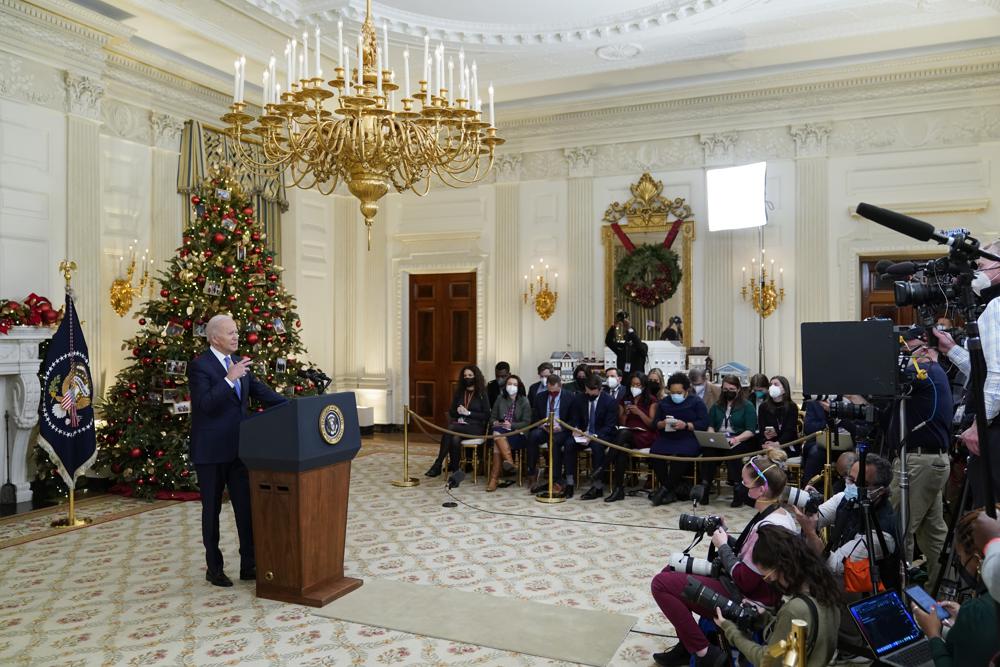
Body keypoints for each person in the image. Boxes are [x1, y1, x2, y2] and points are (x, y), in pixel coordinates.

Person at [650, 449, 800, 666]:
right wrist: (726, 537)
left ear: (761, 489)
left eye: (744, 483)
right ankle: (688, 644)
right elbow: (751, 555)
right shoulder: (778, 513)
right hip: (746, 586)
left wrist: (722, 546)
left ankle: (704, 653)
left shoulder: (771, 526)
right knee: (671, 569)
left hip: (749, 598)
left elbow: (746, 580)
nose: (738, 487)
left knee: (661, 584)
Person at [188, 314, 288, 587]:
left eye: (236, 332)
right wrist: (229, 379)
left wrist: (294, 406)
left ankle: (250, 565)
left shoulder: (238, 362)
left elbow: (264, 394)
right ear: (214, 337)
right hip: (210, 453)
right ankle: (214, 568)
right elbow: (205, 404)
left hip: (240, 451)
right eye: (231, 333)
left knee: (246, 509)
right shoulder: (199, 366)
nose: (236, 336)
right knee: (212, 512)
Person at [931, 241, 1000, 506]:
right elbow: (983, 369)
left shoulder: (995, 306)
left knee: (988, 514)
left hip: (994, 432)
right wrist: (950, 349)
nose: (976, 272)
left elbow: (997, 375)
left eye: (981, 265)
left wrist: (977, 426)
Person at [717, 525, 842, 667]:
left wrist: (730, 630)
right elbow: (794, 650)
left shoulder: (796, 609)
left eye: (768, 577)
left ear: (783, 567)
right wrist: (766, 619)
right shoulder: (824, 589)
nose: (771, 582)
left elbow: (767, 660)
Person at [888, 336, 954, 587]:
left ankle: (900, 595)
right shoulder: (935, 375)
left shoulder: (926, 372)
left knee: (899, 529)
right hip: (931, 462)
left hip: (918, 463)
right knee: (933, 533)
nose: (904, 356)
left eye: (908, 350)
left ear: (925, 350)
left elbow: (888, 382)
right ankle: (941, 587)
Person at [912, 506, 1000, 667]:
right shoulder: (980, 609)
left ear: (978, 560)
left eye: (960, 557)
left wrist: (933, 636)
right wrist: (966, 617)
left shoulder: (977, 610)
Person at [794, 453, 897, 589]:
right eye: (850, 478)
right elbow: (816, 520)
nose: (852, 486)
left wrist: (811, 533)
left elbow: (835, 566)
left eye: (861, 483)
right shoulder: (845, 498)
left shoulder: (881, 532)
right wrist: (807, 504)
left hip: (862, 591)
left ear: (880, 491)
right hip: (840, 576)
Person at [649, 372, 708, 505]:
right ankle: (669, 490)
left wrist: (686, 425)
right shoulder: (664, 403)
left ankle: (665, 489)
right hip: (668, 437)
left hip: (688, 438)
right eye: (672, 392)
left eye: (679, 392)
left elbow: (704, 423)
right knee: (655, 452)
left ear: (686, 391)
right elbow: (655, 424)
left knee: (681, 455)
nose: (675, 395)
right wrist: (662, 424)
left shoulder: (696, 402)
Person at [424, 365, 490, 485]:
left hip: (476, 428)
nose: (467, 378)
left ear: (476, 377)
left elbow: (486, 415)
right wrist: (458, 412)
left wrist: (468, 413)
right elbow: (452, 412)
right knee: (454, 438)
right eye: (465, 376)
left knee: (451, 429)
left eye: (470, 375)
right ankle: (455, 473)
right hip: (460, 425)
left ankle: (438, 464)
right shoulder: (459, 392)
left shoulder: (481, 393)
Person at [700, 375, 758, 507]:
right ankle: (705, 486)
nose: (728, 391)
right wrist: (712, 437)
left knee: (732, 453)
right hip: (720, 439)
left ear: (738, 389)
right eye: (725, 389)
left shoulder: (747, 406)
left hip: (741, 439)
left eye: (731, 389)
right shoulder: (717, 406)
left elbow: (750, 430)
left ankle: (738, 489)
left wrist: (735, 439)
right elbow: (710, 425)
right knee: (708, 451)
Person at [526, 374, 584, 498]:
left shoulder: (570, 397)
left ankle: (556, 479)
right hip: (545, 428)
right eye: (550, 391)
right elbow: (535, 417)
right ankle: (532, 471)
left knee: (554, 441)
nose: (552, 394)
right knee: (533, 436)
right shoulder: (540, 397)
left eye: (555, 392)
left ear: (560, 386)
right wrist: (542, 425)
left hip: (562, 430)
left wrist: (561, 427)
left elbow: (574, 419)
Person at [606, 372, 657, 502]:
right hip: (628, 435)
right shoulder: (625, 399)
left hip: (644, 435)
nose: (635, 387)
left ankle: (604, 465)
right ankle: (619, 489)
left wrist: (639, 412)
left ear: (644, 386)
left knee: (623, 435)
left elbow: (652, 424)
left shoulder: (651, 400)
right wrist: (626, 414)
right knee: (622, 448)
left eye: (638, 385)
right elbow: (622, 422)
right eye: (633, 384)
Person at [578, 374, 620, 500]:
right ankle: (568, 482)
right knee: (568, 444)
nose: (589, 393)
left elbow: (610, 426)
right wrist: (576, 429)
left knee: (597, 447)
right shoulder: (581, 398)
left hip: (601, 435)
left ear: (600, 389)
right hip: (583, 434)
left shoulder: (610, 401)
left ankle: (597, 487)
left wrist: (594, 436)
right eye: (587, 390)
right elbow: (575, 417)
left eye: (592, 391)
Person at [487, 374, 531, 492]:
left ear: (519, 387)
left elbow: (527, 422)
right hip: (501, 430)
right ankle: (509, 462)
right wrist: (496, 422)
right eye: (509, 384)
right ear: (505, 386)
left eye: (515, 385)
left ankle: (494, 479)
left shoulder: (524, 401)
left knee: (497, 437)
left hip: (517, 434)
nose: (512, 386)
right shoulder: (500, 398)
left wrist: (511, 425)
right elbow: (492, 418)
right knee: (497, 433)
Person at [757, 375, 799, 452]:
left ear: (784, 388)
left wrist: (778, 443)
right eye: (771, 385)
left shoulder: (792, 406)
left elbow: (790, 431)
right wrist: (765, 438)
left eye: (776, 384)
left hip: (787, 444)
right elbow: (762, 428)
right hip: (768, 443)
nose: (772, 387)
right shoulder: (763, 406)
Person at [605, 310, 647, 375]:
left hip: (637, 378)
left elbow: (640, 347)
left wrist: (629, 328)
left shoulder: (643, 346)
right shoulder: (622, 347)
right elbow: (608, 341)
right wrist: (614, 326)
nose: (626, 335)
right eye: (626, 333)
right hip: (623, 378)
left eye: (629, 333)